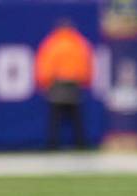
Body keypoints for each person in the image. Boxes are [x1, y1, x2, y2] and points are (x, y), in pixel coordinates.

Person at [35, 19, 94, 149]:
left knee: (55, 118)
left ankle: (53, 145)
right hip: (74, 83)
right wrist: (86, 81)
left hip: (57, 83)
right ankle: (80, 145)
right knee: (76, 117)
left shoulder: (52, 43)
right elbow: (86, 64)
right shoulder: (79, 43)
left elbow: (45, 65)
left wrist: (44, 82)